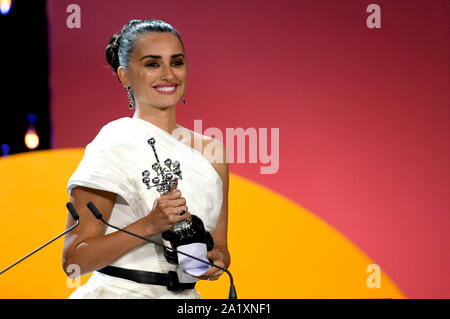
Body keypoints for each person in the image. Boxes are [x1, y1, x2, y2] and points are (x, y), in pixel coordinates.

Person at [62, 19, 230, 299]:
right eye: (153, 64)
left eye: (176, 62)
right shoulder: (113, 144)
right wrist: (150, 224)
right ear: (125, 75)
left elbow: (221, 249)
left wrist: (215, 262)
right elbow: (73, 263)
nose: (168, 74)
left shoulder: (213, 153)